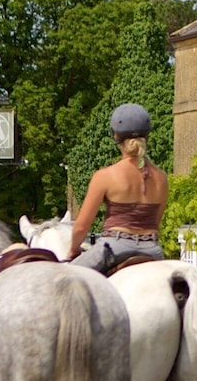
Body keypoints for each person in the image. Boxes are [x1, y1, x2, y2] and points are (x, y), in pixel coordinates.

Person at [68, 103, 169, 272]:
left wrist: (73, 249)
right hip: (153, 251)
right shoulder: (162, 178)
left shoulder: (105, 176)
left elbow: (81, 227)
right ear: (147, 135)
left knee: (66, 278)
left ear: (116, 136)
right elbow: (155, 222)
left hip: (114, 248)